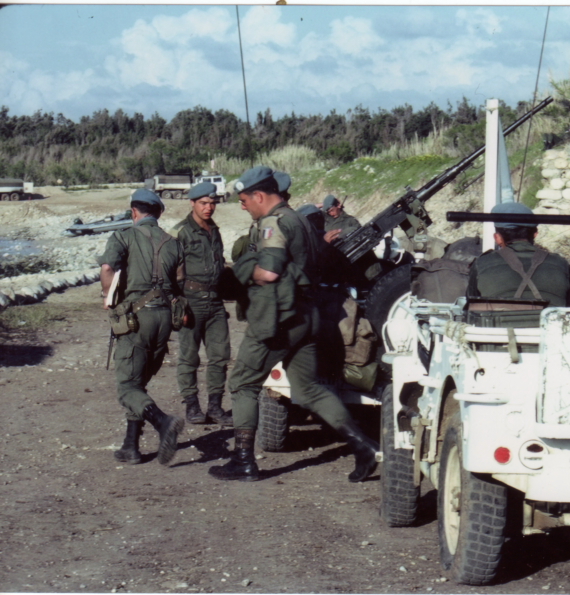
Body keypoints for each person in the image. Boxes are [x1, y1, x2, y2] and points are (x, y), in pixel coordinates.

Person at [208, 166, 379, 483]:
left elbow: (269, 272)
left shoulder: (274, 223)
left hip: (278, 318)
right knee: (309, 388)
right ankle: (362, 447)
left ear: (259, 196)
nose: (242, 206)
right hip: (307, 315)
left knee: (243, 383)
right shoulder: (300, 218)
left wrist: (240, 274)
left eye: (244, 200)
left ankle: (244, 461)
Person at [98, 188, 186, 466]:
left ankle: (163, 422)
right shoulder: (173, 243)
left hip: (137, 317)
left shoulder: (124, 235)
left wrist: (108, 297)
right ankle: (131, 446)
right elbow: (180, 282)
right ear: (158, 214)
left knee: (127, 386)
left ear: (134, 212)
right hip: (164, 319)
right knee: (140, 382)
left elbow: (106, 269)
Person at [168, 182, 232, 426]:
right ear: (192, 203)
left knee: (219, 355)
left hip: (215, 301)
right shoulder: (180, 232)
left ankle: (215, 406)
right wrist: (178, 304)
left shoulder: (214, 230)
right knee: (189, 357)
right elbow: (170, 272)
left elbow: (220, 262)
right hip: (191, 301)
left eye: (213, 203)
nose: (209, 208)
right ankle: (192, 406)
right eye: (204, 203)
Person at [466, 201, 570, 306]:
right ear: (535, 234)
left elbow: (471, 304)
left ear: (497, 238)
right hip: (552, 322)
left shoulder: (481, 263)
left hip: (501, 322)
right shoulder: (561, 263)